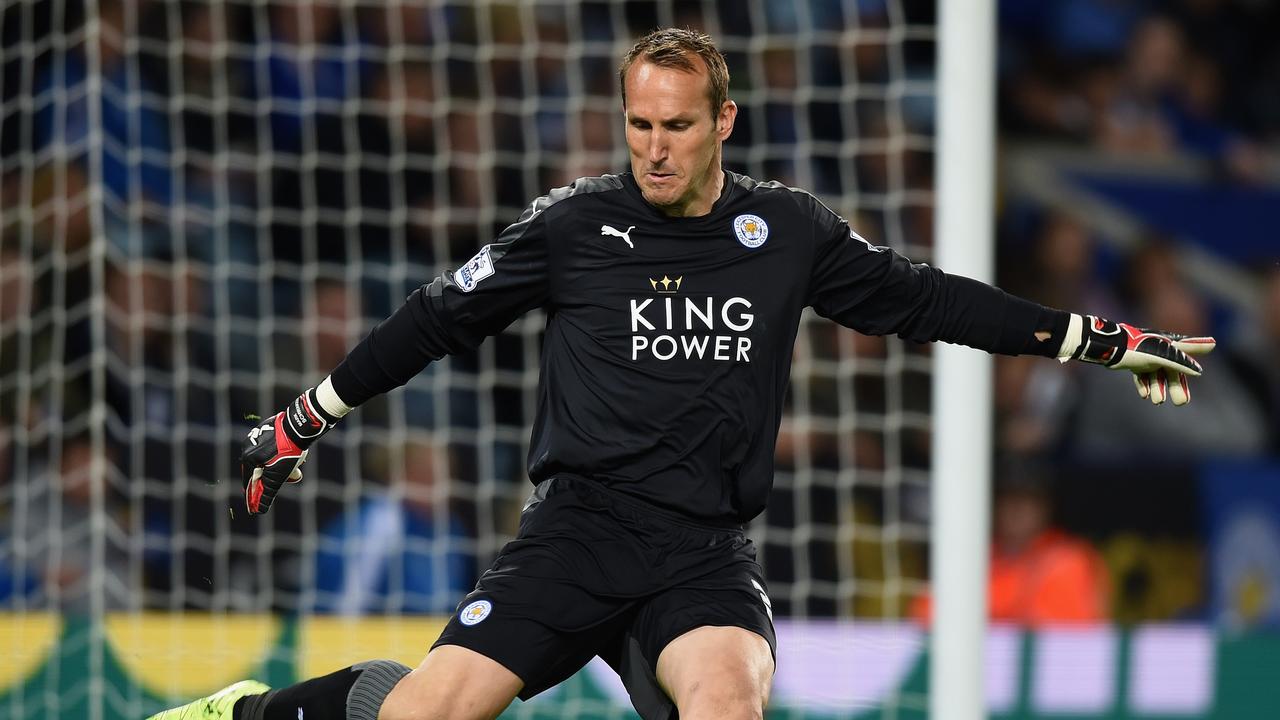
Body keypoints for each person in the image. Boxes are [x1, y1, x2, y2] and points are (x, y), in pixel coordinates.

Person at [150, 28, 1214, 720]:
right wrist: (306, 415)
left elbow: (932, 301)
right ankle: (245, 712)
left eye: (675, 128)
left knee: (727, 703)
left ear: (721, 125)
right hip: (575, 530)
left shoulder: (786, 230)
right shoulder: (571, 225)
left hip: (698, 551)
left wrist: (1100, 341)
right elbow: (434, 320)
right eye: (638, 127)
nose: (653, 150)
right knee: (428, 714)